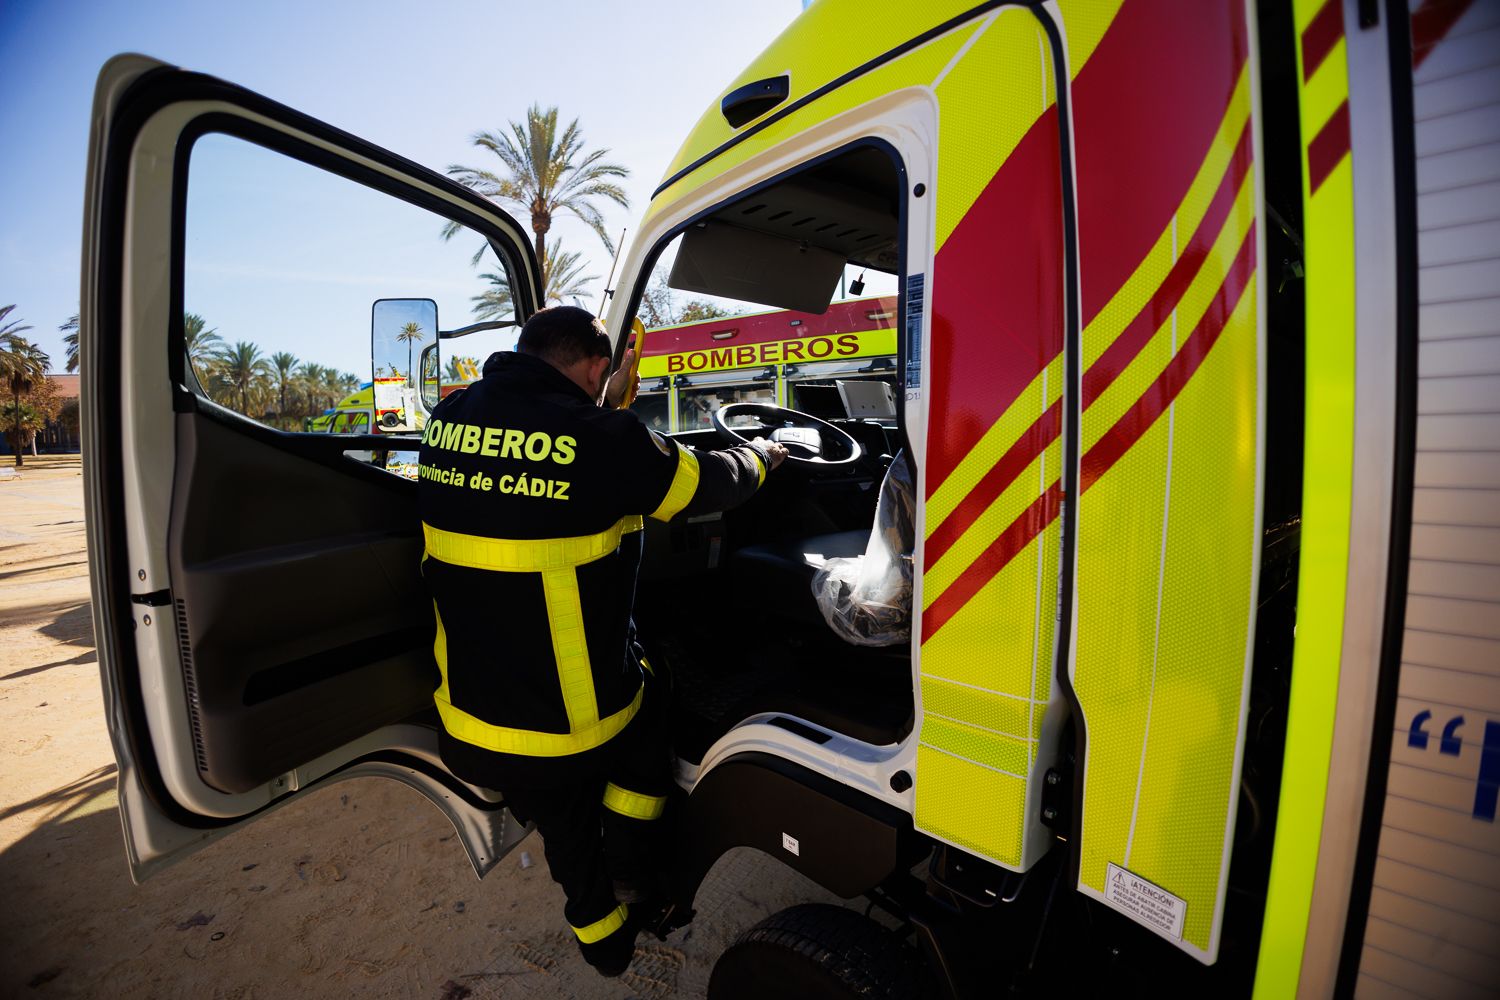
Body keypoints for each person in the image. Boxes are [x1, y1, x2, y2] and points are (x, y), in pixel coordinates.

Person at [416, 306, 786, 976]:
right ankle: (632, 876)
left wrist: (602, 403)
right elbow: (710, 483)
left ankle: (604, 938)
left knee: (566, 831)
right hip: (571, 727)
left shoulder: (448, 420)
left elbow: (539, 457)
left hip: (468, 719)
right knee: (653, 706)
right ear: (595, 367)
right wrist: (763, 454)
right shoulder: (606, 437)